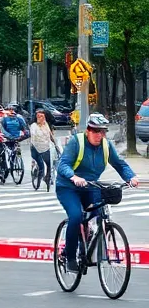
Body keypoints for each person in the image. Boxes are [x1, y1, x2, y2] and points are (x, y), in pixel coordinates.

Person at [56, 114, 139, 271]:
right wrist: (74, 177)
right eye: (95, 131)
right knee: (76, 216)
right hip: (68, 187)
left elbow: (120, 164)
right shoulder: (77, 142)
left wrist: (131, 177)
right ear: (88, 131)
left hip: (91, 186)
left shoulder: (106, 146)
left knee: (100, 214)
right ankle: (70, 257)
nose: (99, 135)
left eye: (102, 131)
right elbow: (63, 165)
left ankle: (89, 244)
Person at [29, 108, 59, 184]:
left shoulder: (48, 121)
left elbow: (50, 135)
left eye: (42, 116)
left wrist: (55, 144)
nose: (40, 117)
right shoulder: (34, 125)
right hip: (36, 145)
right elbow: (33, 135)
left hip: (45, 144)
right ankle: (38, 170)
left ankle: (47, 176)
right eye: (39, 116)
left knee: (50, 162)